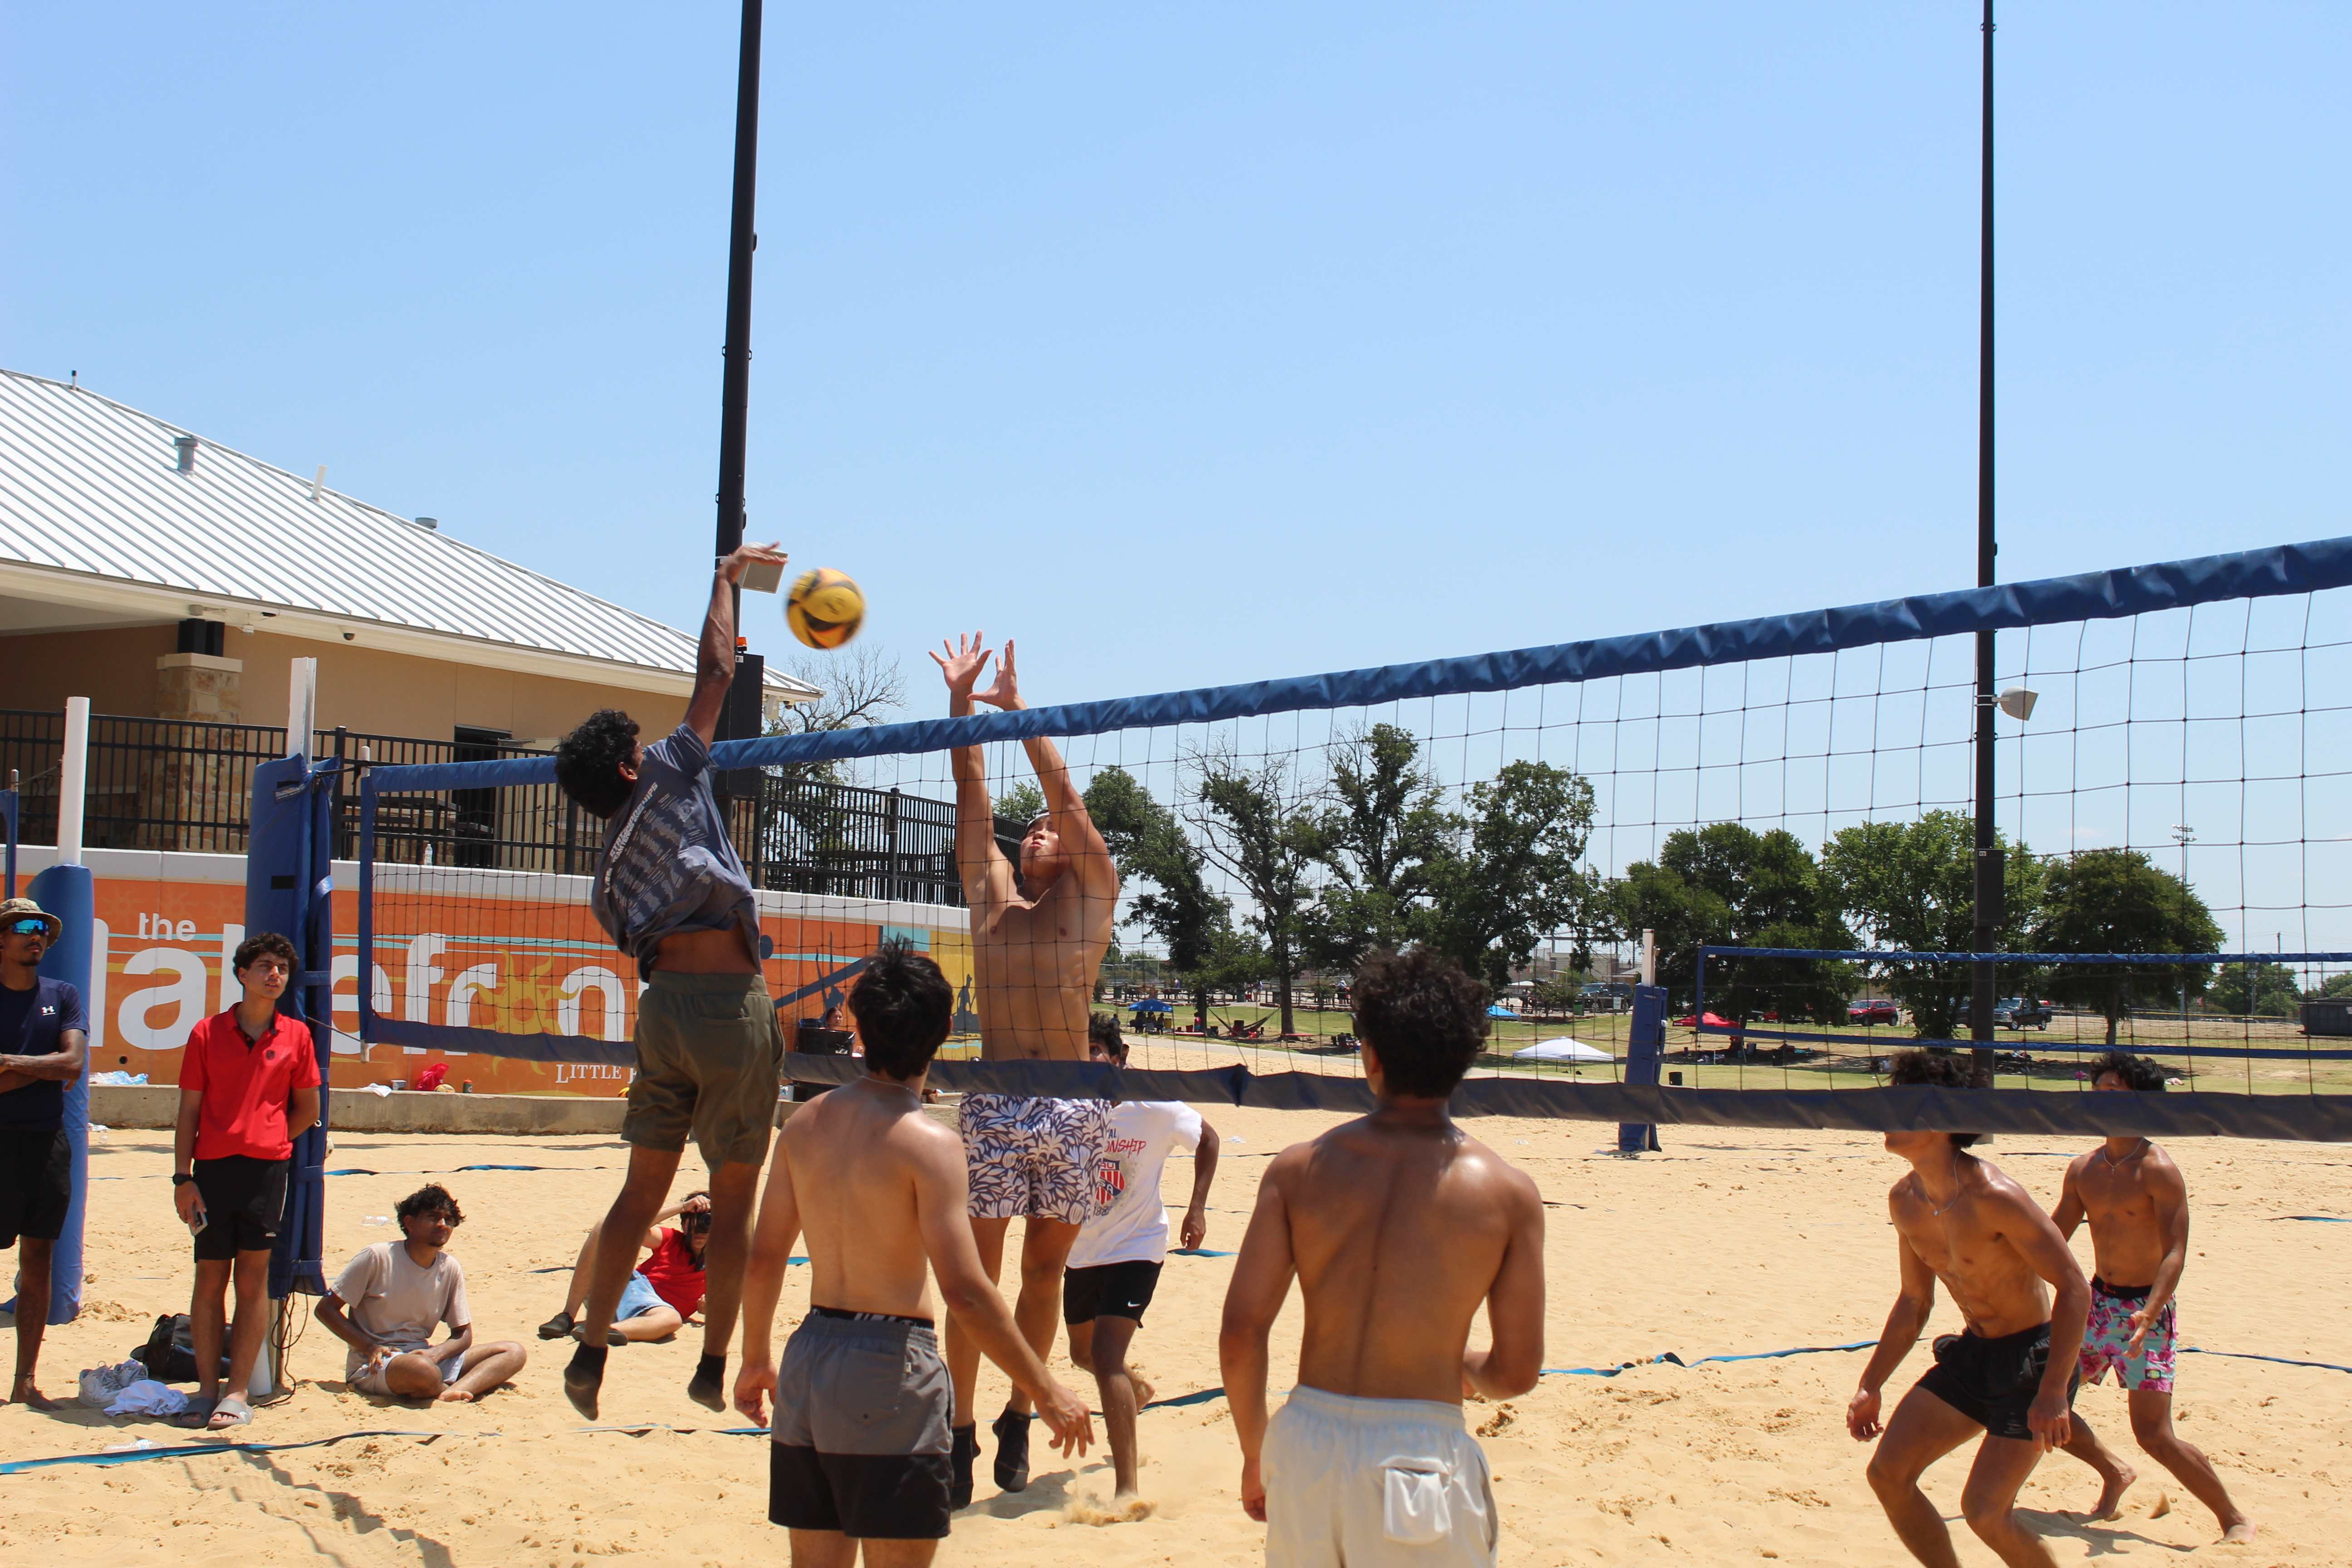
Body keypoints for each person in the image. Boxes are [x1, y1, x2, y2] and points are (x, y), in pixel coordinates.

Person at [732, 939, 1093, 1563]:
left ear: (858, 1027)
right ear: (946, 1032)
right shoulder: (930, 1145)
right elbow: (966, 1291)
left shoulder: (802, 1126)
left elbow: (764, 1260)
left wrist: (755, 1357)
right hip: (891, 1364)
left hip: (810, 1358)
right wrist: (1044, 1388)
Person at [551, 537, 791, 1418]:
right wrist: (727, 581)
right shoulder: (666, 772)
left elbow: (632, 940)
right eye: (636, 743)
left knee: (639, 1195)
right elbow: (717, 671)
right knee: (733, 1202)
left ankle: (589, 1348)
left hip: (662, 1016)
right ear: (627, 766)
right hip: (729, 1009)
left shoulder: (607, 874)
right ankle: (712, 1364)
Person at [1220, 947, 1545, 1567]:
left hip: (1306, 1443)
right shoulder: (1508, 1193)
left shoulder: (1297, 1170)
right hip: (1419, 1456)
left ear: (1370, 1057)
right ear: (1465, 1061)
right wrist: (1461, 1364)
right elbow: (1517, 1372)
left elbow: (1241, 1333)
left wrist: (1256, 1454)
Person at [928, 632, 1122, 1503]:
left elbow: (1066, 801)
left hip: (1073, 1108)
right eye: (1030, 831)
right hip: (998, 1104)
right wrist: (960, 705)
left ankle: (1017, 1413)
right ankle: (959, 1427)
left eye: (1048, 832)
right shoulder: (992, 901)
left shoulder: (1092, 898)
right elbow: (970, 791)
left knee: (1043, 1275)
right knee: (975, 1281)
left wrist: (1021, 715)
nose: (1038, 830)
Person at [1847, 1048, 2093, 1568]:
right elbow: (1915, 1302)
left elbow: (2075, 1287)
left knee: (1984, 1513)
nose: (1886, 1116)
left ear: (1940, 1119)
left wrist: (2054, 1391)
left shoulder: (1996, 1195)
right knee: (1888, 1475)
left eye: (1902, 1105)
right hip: (1975, 1354)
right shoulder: (1904, 1199)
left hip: (2033, 1361)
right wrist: (1871, 1384)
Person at [2050, 1051, 2255, 1542]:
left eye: (2114, 1090)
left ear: (2141, 1101)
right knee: (2041, 1402)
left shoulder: (2158, 1169)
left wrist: (2152, 1309)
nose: (2102, 1098)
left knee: (2154, 1435)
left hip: (2146, 1312)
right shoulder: (2083, 1169)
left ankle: (2233, 1518)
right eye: (2098, 1090)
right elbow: (2053, 1238)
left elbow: (2175, 1251)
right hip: (2096, 1304)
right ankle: (2114, 1471)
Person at [1066, 1013, 1220, 1517]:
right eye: (1081, 1049)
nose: (1088, 1058)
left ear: (1118, 1057)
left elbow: (1210, 1139)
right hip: (1081, 1250)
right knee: (1082, 1355)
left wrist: (1197, 1208)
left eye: (1096, 1049)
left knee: (1106, 1355)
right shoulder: (1067, 1104)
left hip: (1138, 1246)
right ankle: (1138, 1389)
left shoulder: (1154, 1105)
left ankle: (1127, 1489)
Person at [170, 931, 321, 1430]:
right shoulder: (206, 1032)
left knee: (252, 1282)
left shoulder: (296, 1036)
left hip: (265, 1173)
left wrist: (271, 1139)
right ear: (242, 974)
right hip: (211, 1173)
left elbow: (309, 1110)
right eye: (264, 966)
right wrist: (183, 1178)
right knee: (209, 1279)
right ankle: (205, 1390)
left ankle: (236, 1394)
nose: (274, 974)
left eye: (282, 968)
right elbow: (188, 1112)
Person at [316, 1183, 527, 1402]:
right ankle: (441, 1386)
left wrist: (436, 1353)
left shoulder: (450, 1267)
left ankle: (450, 1393)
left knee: (513, 1352)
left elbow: (463, 1334)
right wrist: (371, 1347)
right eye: (433, 1217)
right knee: (421, 1369)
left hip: (425, 1357)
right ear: (410, 1223)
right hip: (376, 1362)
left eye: (449, 1220)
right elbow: (325, 1310)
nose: (442, 1225)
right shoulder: (377, 1257)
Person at [0, 897, 88, 1410]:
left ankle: (25, 1382)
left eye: (42, 928)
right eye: (24, 927)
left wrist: (11, 1063)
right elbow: (57, 1066)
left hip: (47, 1144)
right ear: (1, 939)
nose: (36, 935)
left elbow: (73, 1064)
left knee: (38, 1261)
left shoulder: (63, 994)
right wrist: (44, 1068)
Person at [540, 1191, 713, 1345]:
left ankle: (602, 1330)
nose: (701, 1230)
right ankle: (567, 1316)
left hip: (651, 1315)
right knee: (606, 1225)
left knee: (672, 1320)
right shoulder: (673, 1240)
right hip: (624, 1291)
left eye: (708, 1222)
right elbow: (630, 1227)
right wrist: (682, 1207)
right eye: (694, 1221)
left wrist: (707, 1310)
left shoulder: (721, 1264)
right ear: (684, 1226)